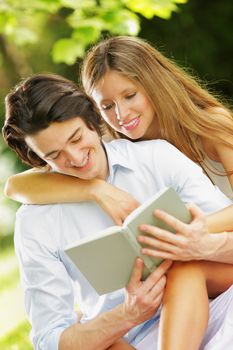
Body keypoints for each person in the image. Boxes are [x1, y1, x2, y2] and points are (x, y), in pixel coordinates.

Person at [2, 74, 233, 350]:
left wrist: (202, 246)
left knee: (185, 266)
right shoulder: (35, 223)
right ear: (39, 158)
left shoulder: (156, 157)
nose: (75, 159)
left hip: (210, 303)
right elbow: (49, 339)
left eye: (76, 138)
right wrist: (129, 314)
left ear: (92, 119)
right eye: (54, 155)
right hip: (131, 338)